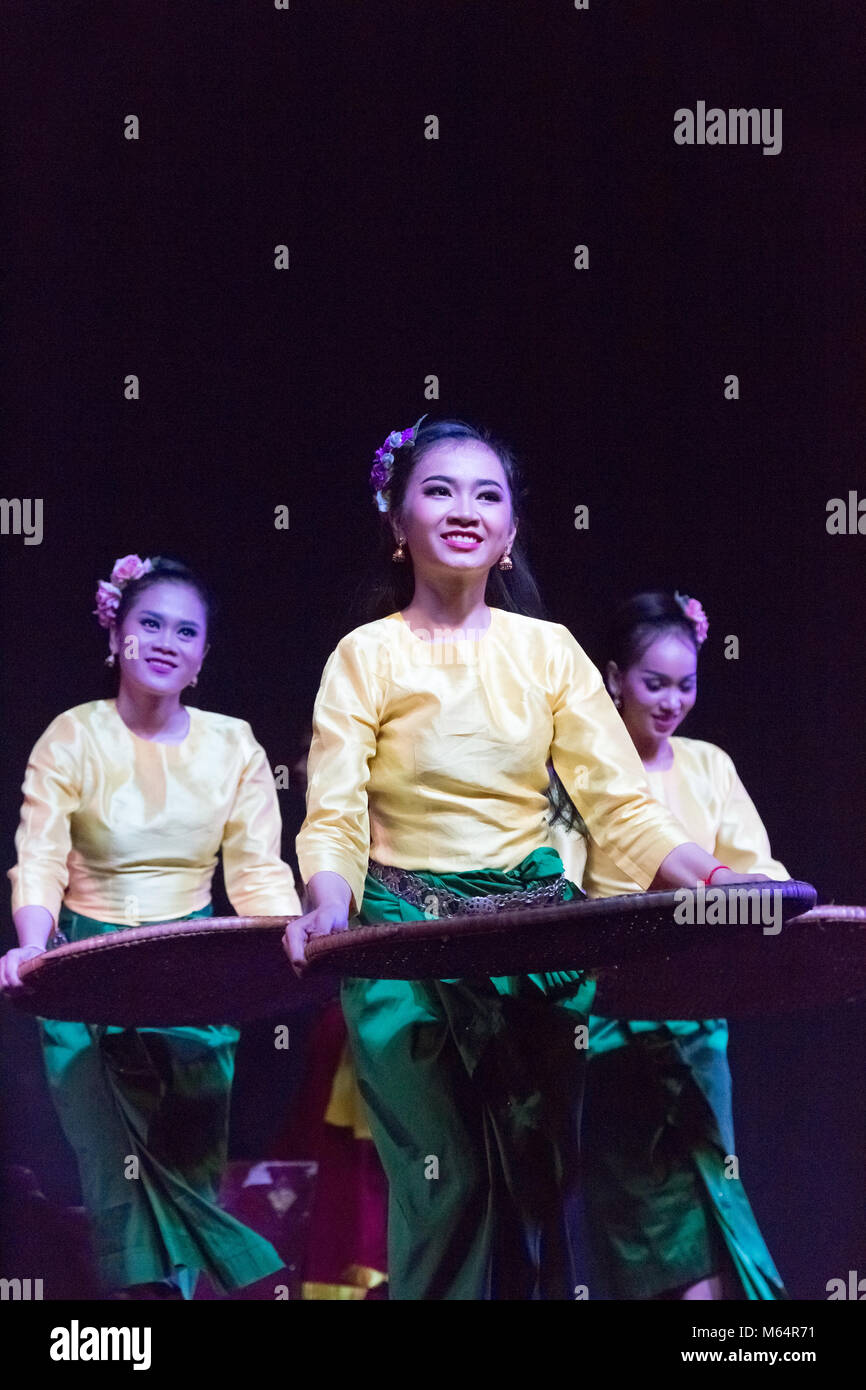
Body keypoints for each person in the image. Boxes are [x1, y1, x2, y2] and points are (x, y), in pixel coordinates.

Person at [284, 417, 765, 1300]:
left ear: (508, 536)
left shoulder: (548, 652)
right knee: (449, 1182)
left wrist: (714, 878)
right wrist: (326, 901)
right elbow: (336, 811)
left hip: (533, 951)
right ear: (397, 523)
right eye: (438, 490)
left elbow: (619, 805)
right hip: (403, 949)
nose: (464, 509)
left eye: (488, 494)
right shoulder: (366, 656)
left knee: (533, 1192)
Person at [1, 554, 302, 1299]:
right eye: (151, 624)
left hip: (192, 980)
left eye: (187, 631)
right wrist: (35, 946)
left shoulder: (233, 744)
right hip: (83, 978)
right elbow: (39, 856)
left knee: (192, 1165)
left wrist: (285, 939)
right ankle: (163, 1305)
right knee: (115, 1174)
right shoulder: (71, 737)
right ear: (117, 637)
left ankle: (194, 1290)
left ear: (202, 657)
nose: (167, 641)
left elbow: (258, 870)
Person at [573, 590, 788, 1300]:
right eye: (654, 683)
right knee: (636, 1209)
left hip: (698, 1019)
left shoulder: (708, 766)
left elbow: (758, 870)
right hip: (611, 1023)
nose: (671, 701)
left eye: (686, 684)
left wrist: (761, 898)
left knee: (710, 1195)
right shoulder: (587, 772)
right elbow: (560, 885)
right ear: (614, 679)